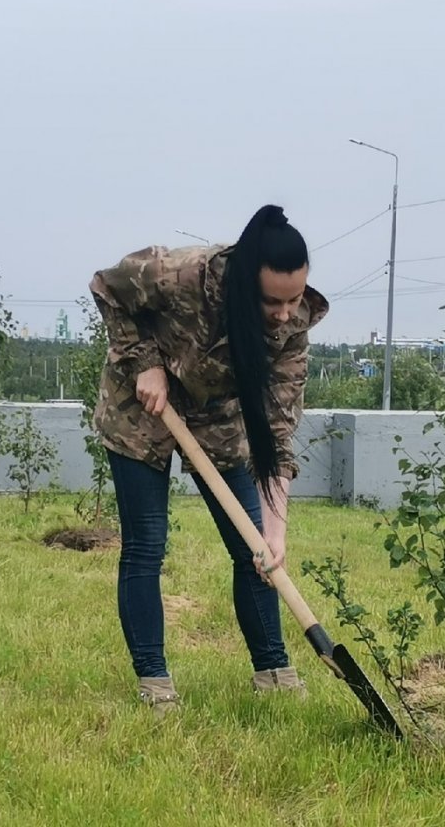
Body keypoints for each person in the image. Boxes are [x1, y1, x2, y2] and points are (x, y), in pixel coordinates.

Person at [90, 204, 328, 716]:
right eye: (273, 301)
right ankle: (154, 682)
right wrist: (147, 364)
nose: (285, 314)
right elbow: (108, 288)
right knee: (147, 545)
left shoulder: (293, 325)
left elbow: (279, 429)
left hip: (217, 415)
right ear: (245, 281)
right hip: (141, 402)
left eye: (294, 300)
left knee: (255, 550)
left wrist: (277, 529)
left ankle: (274, 671)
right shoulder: (179, 274)